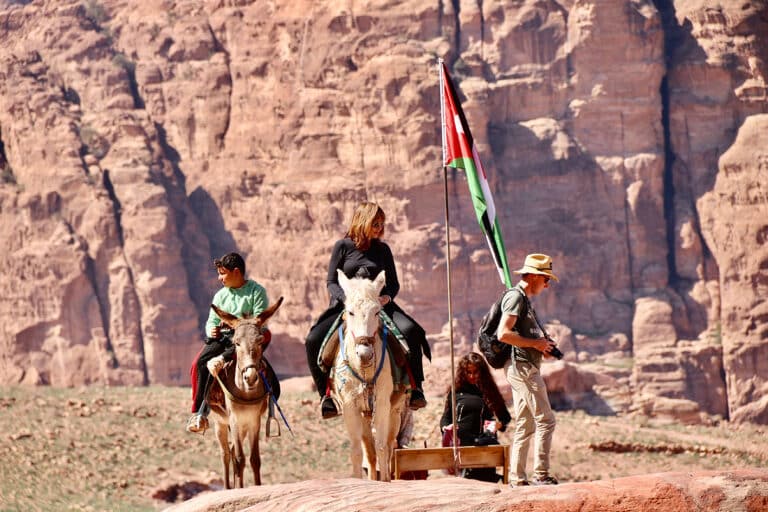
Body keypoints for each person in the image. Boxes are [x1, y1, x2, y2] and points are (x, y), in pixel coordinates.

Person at [305, 201, 431, 419]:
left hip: (377, 305)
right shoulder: (342, 246)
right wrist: (347, 299)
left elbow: (393, 283)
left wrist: (386, 297)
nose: (379, 229)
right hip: (348, 305)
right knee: (313, 340)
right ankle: (325, 397)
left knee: (411, 331)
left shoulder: (383, 249)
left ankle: (416, 387)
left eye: (381, 224)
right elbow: (331, 282)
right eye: (375, 223)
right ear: (362, 221)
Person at [186, 252, 279, 434]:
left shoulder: (256, 292)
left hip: (247, 338)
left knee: (257, 361)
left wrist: (234, 323)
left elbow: (259, 320)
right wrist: (211, 330)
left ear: (236, 272)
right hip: (223, 338)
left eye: (223, 273)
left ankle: (269, 407)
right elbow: (212, 320)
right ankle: (198, 413)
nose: (219, 278)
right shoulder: (220, 296)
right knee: (198, 364)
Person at [497, 253, 561, 486]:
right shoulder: (516, 298)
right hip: (522, 368)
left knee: (526, 422)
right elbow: (503, 333)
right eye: (546, 279)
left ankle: (517, 478)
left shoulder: (524, 299)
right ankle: (541, 475)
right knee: (546, 420)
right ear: (534, 276)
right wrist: (536, 344)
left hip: (524, 366)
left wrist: (541, 346)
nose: (547, 285)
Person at [440, 352, 512, 482]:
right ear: (463, 372)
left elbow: (505, 417)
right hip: (461, 447)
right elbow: (446, 417)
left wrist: (498, 424)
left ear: (482, 372)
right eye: (468, 372)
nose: (472, 376)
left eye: (476, 372)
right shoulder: (456, 391)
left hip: (484, 447)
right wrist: (446, 428)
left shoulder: (489, 391)